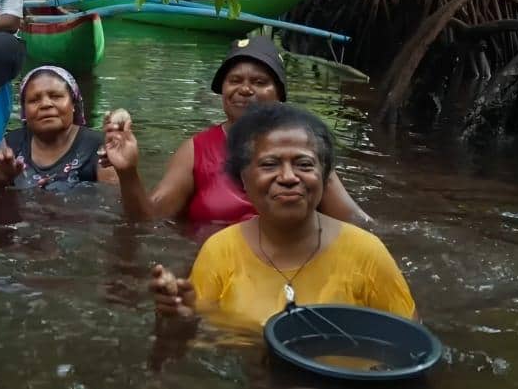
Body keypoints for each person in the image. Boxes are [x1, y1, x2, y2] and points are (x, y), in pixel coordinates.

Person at [151, 103, 415, 329]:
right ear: (244, 179)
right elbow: (196, 347)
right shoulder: (219, 252)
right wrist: (180, 320)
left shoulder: (368, 254)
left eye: (304, 164)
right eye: (269, 164)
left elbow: (410, 345)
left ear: (324, 177)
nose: (288, 177)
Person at [102, 35, 370, 225]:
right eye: (235, 80)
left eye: (259, 82)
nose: (245, 89)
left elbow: (357, 223)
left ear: (279, 94)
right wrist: (128, 172)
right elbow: (148, 219)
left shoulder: (304, 150)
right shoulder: (196, 150)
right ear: (223, 90)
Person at [0, 66, 118, 189]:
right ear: (24, 111)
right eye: (34, 100)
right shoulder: (11, 145)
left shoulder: (100, 148)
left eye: (56, 96)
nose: (45, 104)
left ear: (73, 103)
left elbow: (115, 200)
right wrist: (2, 183)